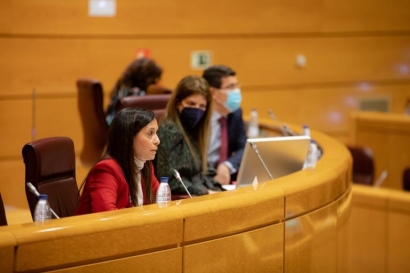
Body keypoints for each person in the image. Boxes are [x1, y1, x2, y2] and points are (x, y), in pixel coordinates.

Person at [76, 108, 160, 215]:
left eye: (156, 133)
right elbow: (107, 216)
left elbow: (161, 202)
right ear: (129, 138)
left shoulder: (146, 165)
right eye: (150, 133)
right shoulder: (107, 170)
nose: (157, 140)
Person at [155, 75, 223, 196]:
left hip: (199, 196)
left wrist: (219, 189)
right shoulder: (170, 130)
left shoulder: (195, 130)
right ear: (177, 103)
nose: (196, 110)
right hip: (183, 201)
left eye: (202, 106)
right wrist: (206, 192)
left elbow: (203, 172)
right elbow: (170, 181)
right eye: (191, 103)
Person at [202, 65, 247, 185]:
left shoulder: (235, 113)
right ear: (212, 92)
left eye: (237, 85)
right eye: (230, 87)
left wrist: (227, 165)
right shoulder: (198, 115)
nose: (237, 91)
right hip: (198, 179)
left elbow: (245, 147)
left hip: (223, 179)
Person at [105, 58, 164, 125]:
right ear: (147, 78)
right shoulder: (138, 96)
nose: (156, 84)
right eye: (154, 80)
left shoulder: (120, 90)